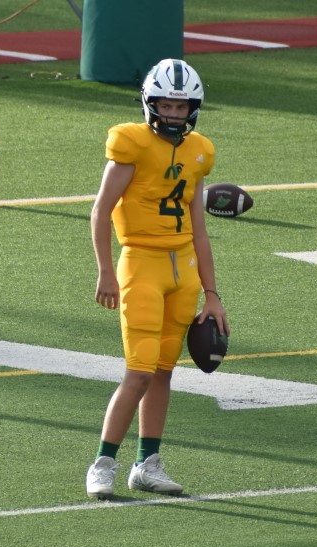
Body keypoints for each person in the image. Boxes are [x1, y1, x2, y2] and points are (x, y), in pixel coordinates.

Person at [85, 59, 230, 499]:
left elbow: (199, 230)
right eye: (166, 105)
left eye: (180, 107)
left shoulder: (199, 151)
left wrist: (212, 293)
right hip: (142, 264)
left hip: (183, 271)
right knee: (139, 372)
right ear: (150, 103)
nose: (173, 113)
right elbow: (101, 211)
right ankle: (103, 463)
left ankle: (147, 464)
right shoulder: (131, 143)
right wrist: (105, 270)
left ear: (193, 110)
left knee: (164, 372)